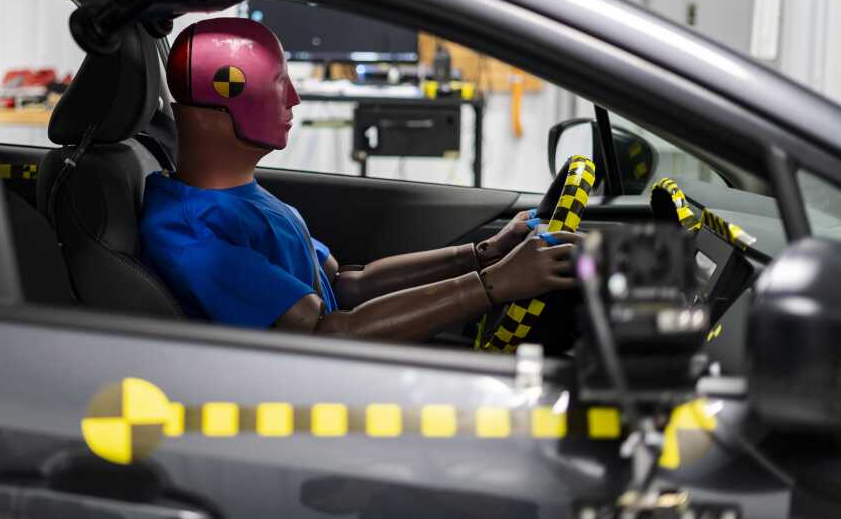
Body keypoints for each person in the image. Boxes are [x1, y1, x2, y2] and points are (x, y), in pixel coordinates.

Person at [139, 17, 579, 340]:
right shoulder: (193, 235)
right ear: (216, 107)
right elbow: (328, 332)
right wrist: (495, 283)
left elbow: (350, 283)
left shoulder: (241, 200)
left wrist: (486, 254)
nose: (292, 98)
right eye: (277, 84)